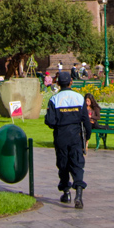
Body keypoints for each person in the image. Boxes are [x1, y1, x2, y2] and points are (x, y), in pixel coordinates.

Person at [45, 70, 91, 208]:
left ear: (58, 83)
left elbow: (50, 121)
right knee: (77, 163)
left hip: (61, 135)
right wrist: (86, 137)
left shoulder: (54, 99)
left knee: (63, 163)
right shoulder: (79, 98)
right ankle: (78, 193)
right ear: (71, 82)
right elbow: (86, 122)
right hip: (75, 135)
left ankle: (66, 192)